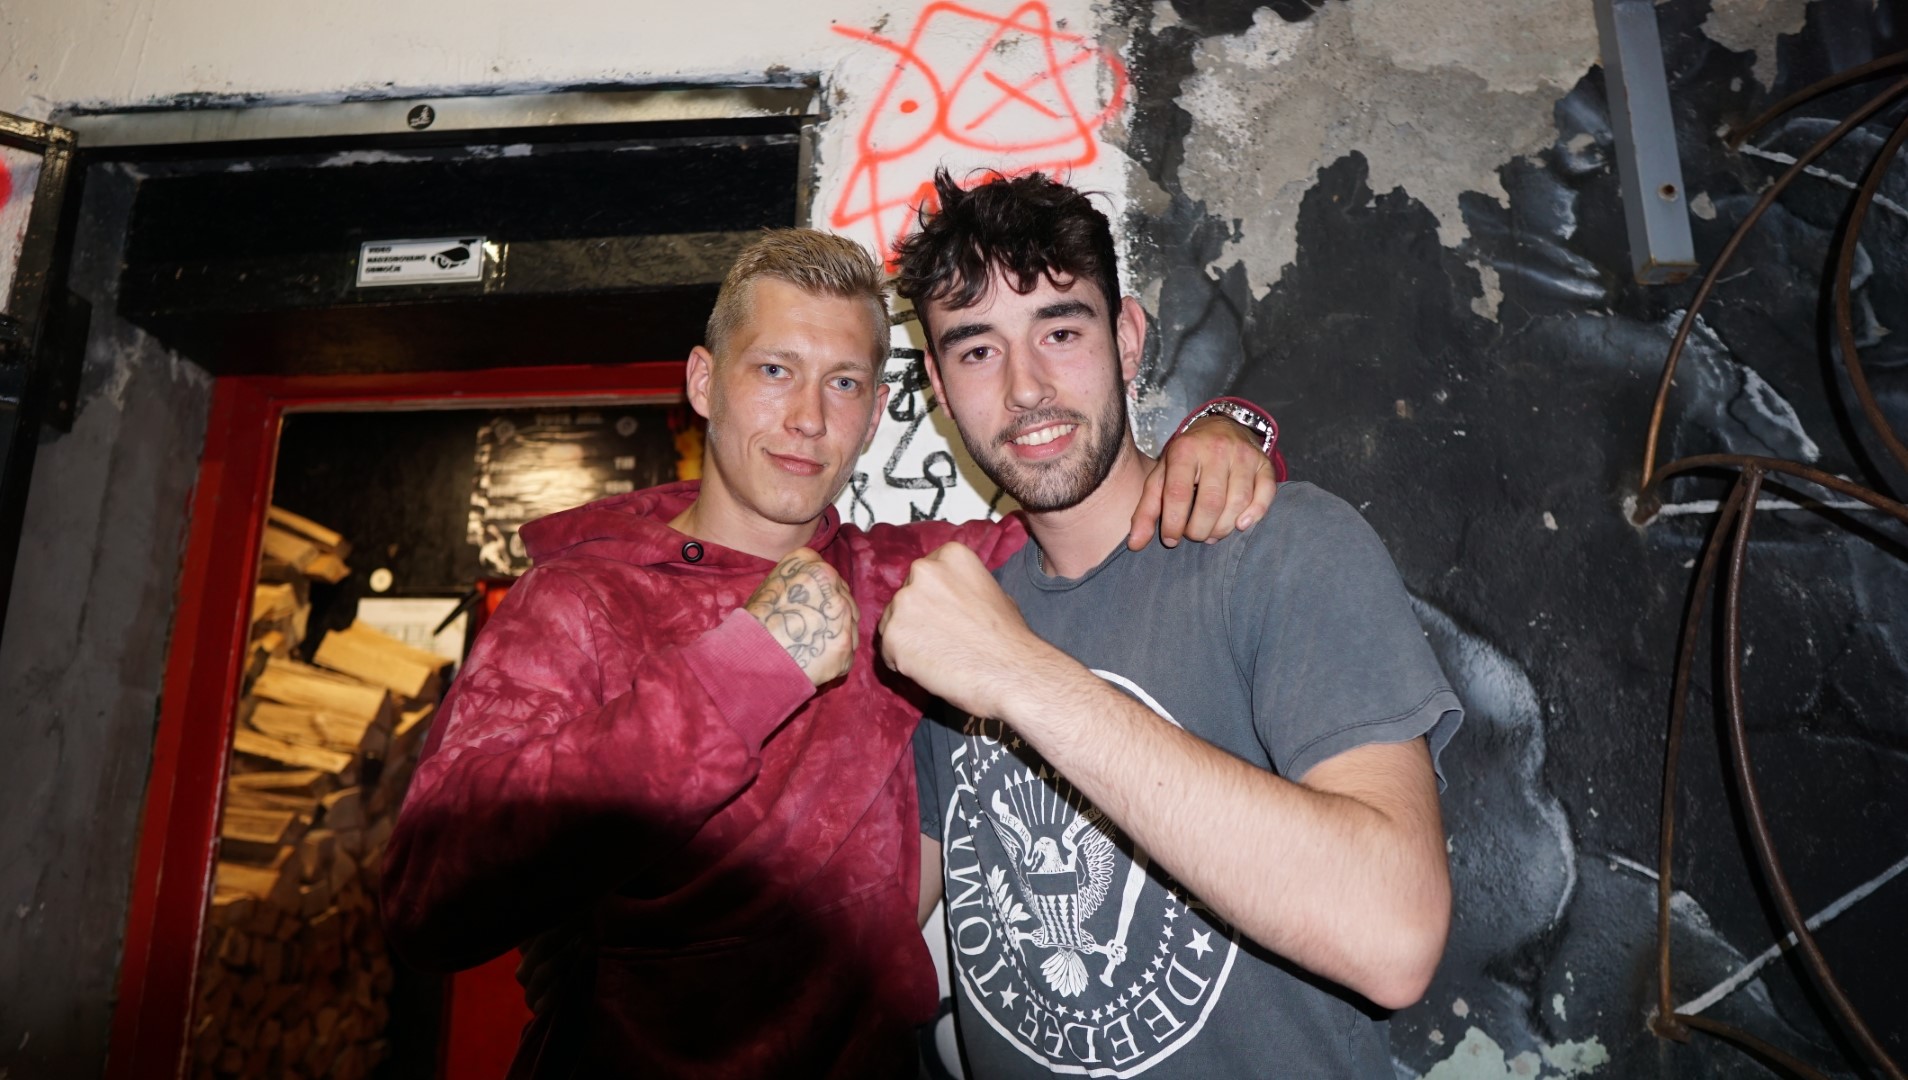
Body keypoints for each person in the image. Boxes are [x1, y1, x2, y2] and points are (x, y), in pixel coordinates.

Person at [379, 227, 1283, 1079]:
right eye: (775, 370)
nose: (808, 419)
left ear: (877, 410)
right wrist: (745, 668)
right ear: (704, 382)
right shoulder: (581, 601)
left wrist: (1227, 431)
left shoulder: (916, 582)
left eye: (844, 383)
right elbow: (427, 902)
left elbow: (1106, 522)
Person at [881, 171, 1463, 1077]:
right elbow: (864, 948)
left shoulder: (1282, 547)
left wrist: (1021, 676)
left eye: (1061, 332)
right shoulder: (957, 623)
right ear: (940, 388)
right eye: (978, 350)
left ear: (1126, 339)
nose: (1027, 387)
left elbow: (1394, 937)